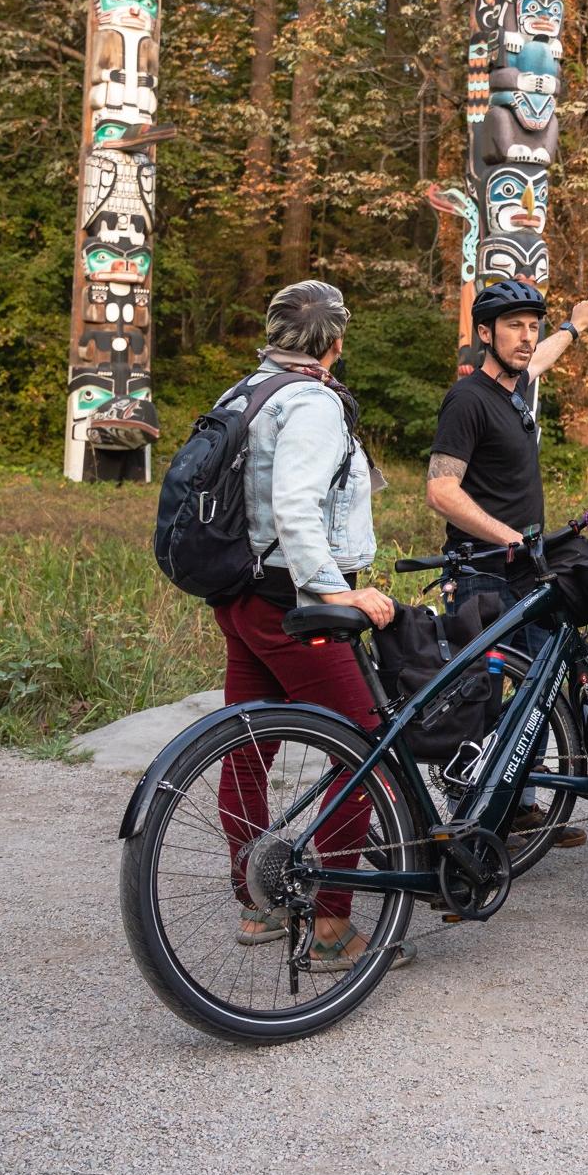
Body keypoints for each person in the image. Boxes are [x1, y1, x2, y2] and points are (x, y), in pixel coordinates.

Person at [215, 280, 408, 971]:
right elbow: (296, 508)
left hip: (241, 595)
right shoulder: (312, 403)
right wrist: (336, 592)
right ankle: (331, 924)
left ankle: (258, 901)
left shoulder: (246, 392)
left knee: (246, 744)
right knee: (363, 748)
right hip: (295, 603)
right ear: (334, 342)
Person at [425, 277, 588, 850]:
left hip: (525, 571)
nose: (527, 338)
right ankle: (465, 826)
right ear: (485, 334)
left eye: (532, 326)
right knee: (481, 699)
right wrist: (510, 537)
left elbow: (544, 358)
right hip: (483, 572)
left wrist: (575, 325)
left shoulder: (515, 385)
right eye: (514, 327)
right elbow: (441, 489)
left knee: (532, 695)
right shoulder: (468, 398)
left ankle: (520, 809)